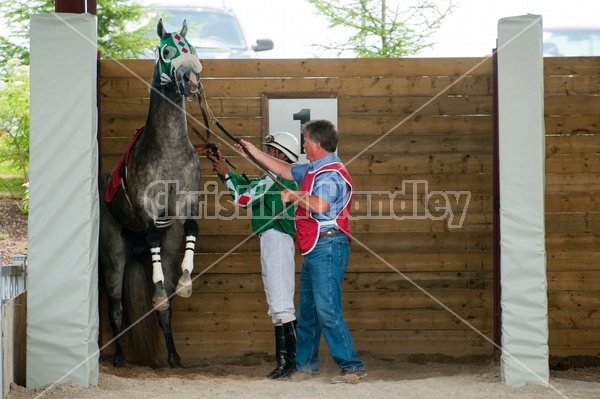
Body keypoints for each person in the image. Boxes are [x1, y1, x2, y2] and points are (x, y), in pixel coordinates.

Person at [235, 119, 367, 384]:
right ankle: (306, 368)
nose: (303, 145)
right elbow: (284, 170)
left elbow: (320, 204)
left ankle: (352, 367)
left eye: (305, 140)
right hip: (316, 248)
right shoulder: (313, 169)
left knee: (327, 309)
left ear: (317, 144)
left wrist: (293, 197)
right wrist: (252, 152)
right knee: (307, 311)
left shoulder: (331, 173)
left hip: (328, 246)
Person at [208, 132, 300, 379]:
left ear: (281, 155)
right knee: (277, 304)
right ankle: (288, 361)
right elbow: (248, 188)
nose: (266, 154)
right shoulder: (272, 179)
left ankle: (289, 362)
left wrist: (227, 174)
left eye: (270, 151)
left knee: (281, 304)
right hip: (271, 239)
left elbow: (243, 197)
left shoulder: (275, 178)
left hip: (277, 240)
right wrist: (225, 171)